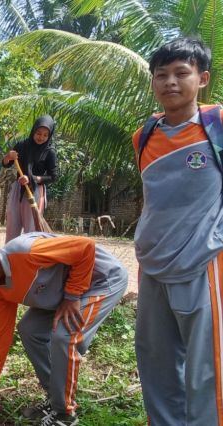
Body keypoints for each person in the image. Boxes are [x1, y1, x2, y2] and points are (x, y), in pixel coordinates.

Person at [0, 233, 127, 426]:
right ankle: (55, 399)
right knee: (30, 329)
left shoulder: (26, 252)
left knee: (64, 336)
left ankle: (65, 415)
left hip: (101, 281)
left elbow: (86, 247)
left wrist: (72, 296)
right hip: (65, 292)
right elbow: (2, 335)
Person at [133, 38, 223, 425]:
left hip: (202, 263)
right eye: (161, 75)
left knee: (208, 369)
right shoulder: (145, 136)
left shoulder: (217, 126)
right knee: (156, 360)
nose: (170, 81)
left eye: (181, 73)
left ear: (201, 78)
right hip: (152, 264)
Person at [2, 115, 57, 242]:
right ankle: (9, 257)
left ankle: (29, 258)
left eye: (45, 135)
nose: (41, 137)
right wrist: (8, 156)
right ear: (33, 130)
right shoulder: (21, 145)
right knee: (12, 223)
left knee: (31, 229)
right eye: (38, 133)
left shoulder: (50, 151)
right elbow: (6, 164)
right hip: (18, 189)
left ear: (49, 136)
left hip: (35, 191)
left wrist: (32, 178)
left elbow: (53, 176)